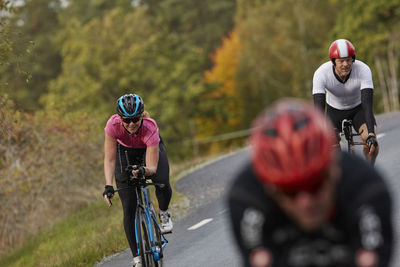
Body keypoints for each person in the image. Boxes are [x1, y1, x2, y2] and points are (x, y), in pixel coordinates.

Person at [227, 99, 393, 267]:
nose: (306, 202)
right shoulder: (247, 197)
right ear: (270, 189)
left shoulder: (365, 186)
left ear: (334, 172)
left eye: (315, 185)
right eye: (290, 191)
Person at [102, 93, 173, 267]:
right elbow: (110, 159)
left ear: (141, 116)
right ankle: (137, 258)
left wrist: (143, 170)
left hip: (149, 150)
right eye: (127, 120)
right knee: (129, 207)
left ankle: (163, 213)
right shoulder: (112, 126)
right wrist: (108, 185)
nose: (132, 124)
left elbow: (152, 168)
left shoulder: (150, 128)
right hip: (124, 153)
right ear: (120, 119)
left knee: (162, 181)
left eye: (135, 119)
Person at [312, 39, 379, 165]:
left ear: (353, 59)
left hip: (358, 110)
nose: (345, 64)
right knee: (330, 144)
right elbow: (318, 109)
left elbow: (367, 105)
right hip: (334, 111)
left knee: (372, 145)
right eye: (341, 61)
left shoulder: (363, 69)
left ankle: (368, 173)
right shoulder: (321, 73)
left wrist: (371, 134)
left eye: (348, 60)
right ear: (333, 62)